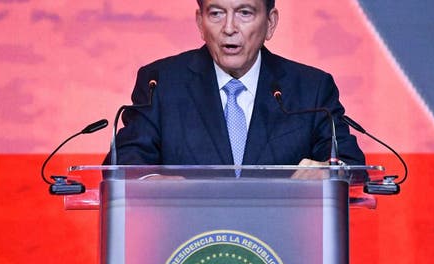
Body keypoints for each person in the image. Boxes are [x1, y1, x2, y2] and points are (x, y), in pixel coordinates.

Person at [105, 0, 365, 168]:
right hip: (186, 245)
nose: (229, 27)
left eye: (244, 13)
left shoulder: (310, 89)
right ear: (200, 22)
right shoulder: (160, 83)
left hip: (281, 247)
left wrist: (327, 173)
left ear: (270, 23)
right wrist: (155, 184)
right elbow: (126, 161)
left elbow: (348, 162)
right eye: (216, 13)